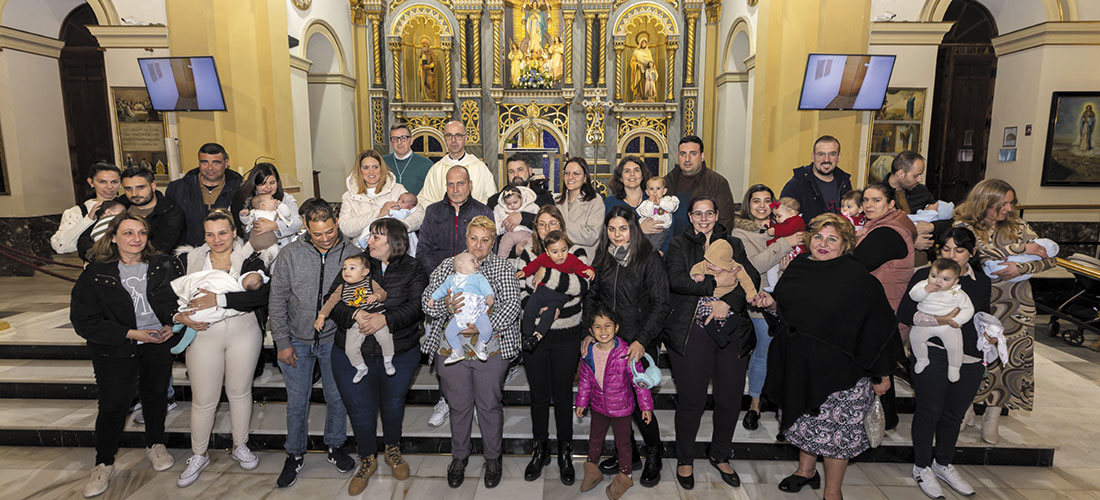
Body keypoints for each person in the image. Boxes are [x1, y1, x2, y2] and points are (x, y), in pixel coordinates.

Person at [752, 214, 901, 500]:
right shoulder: (798, 268)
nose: (823, 244)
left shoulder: (858, 277)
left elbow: (879, 328)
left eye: (832, 239)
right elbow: (785, 313)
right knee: (805, 425)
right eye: (818, 237)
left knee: (835, 436)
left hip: (844, 373)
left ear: (846, 244)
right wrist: (771, 304)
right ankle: (805, 471)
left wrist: (880, 374)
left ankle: (833, 492)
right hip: (801, 366)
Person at [69, 213, 178, 498]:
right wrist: (130, 333)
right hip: (116, 348)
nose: (136, 239)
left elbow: (176, 301)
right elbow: (85, 321)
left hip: (157, 343)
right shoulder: (96, 272)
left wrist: (170, 325)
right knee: (113, 405)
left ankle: (156, 444)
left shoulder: (161, 265)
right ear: (114, 237)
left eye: (142, 232)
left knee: (155, 396)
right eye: (128, 233)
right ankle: (103, 462)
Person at [324, 217, 429, 495]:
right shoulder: (355, 262)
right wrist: (356, 314)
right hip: (352, 352)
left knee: (393, 405)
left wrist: (385, 320)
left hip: (398, 351)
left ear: (393, 242)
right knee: (360, 409)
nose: (369, 241)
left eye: (376, 237)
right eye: (370, 236)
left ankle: (393, 451)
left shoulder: (413, 268)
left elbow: (417, 306)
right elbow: (331, 301)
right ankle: (367, 459)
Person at [662, 195, 759, 489]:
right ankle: (686, 458)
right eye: (698, 214)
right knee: (691, 400)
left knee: (729, 399)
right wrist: (714, 285)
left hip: (730, 330)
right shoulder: (679, 245)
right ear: (690, 217)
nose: (704, 218)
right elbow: (675, 280)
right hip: (692, 331)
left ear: (717, 215)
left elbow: (750, 278)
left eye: (709, 213)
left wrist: (727, 302)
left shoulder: (735, 244)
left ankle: (720, 454)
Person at [172, 210, 273, 487]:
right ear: (204, 236)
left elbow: (263, 294)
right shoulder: (190, 260)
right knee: (204, 399)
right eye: (210, 234)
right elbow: (169, 295)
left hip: (244, 330)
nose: (217, 239)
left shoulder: (252, 258)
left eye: (223, 233)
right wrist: (177, 316)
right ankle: (198, 454)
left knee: (240, 392)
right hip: (204, 333)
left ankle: (240, 445)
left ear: (234, 233)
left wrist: (220, 299)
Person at [420, 216, 522, 490]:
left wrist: (480, 325)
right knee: (459, 405)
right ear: (465, 239)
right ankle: (459, 457)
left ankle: (492, 458)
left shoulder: (502, 267)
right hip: (451, 346)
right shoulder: (447, 266)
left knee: (488, 404)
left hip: (491, 345)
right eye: (473, 238)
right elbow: (428, 302)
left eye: (485, 240)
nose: (478, 245)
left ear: (493, 242)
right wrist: (447, 307)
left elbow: (513, 305)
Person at [954, 178, 1055, 443]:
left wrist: (1021, 267)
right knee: (973, 355)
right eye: (1002, 204)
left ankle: (993, 416)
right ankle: (964, 408)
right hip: (978, 301)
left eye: (1011, 203)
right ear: (984, 203)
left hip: (1016, 304)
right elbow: (978, 255)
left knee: (1008, 361)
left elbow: (1050, 257)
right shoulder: (964, 225)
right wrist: (1023, 249)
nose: (1008, 209)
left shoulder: (1019, 226)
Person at [267, 198, 360, 488]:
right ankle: (294, 454)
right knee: (297, 401)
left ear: (336, 222)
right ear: (306, 227)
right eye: (318, 234)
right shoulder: (290, 255)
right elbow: (277, 300)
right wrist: (282, 341)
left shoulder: (352, 253)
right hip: (297, 338)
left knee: (336, 396)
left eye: (330, 232)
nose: (325, 238)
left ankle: (335, 446)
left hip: (335, 339)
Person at [897, 227, 991, 498]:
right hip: (932, 349)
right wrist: (939, 320)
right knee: (930, 410)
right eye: (946, 249)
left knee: (954, 414)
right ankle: (922, 466)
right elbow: (905, 312)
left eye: (959, 250)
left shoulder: (981, 282)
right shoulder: (924, 276)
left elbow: (980, 316)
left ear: (971, 254)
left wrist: (992, 337)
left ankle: (943, 463)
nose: (952, 255)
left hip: (970, 356)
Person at [583, 205, 669, 487]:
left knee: (638, 405)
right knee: (616, 401)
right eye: (612, 229)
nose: (617, 235)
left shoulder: (648, 259)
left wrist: (642, 341)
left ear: (632, 228)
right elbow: (592, 298)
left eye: (622, 228)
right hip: (609, 343)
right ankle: (628, 455)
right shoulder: (603, 258)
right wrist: (590, 332)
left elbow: (660, 304)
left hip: (639, 342)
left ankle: (654, 454)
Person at [515, 205, 590, 484]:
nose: (547, 228)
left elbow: (580, 287)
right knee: (538, 395)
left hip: (566, 336)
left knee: (562, 395)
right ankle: (541, 448)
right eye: (542, 224)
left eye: (552, 222)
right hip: (535, 335)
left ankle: (565, 453)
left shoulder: (576, 252)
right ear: (536, 229)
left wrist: (546, 277)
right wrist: (540, 310)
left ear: (561, 224)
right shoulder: (528, 254)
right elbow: (521, 290)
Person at [729, 185, 802, 431]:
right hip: (758, 301)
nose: (761, 205)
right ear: (748, 205)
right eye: (755, 201)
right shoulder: (740, 232)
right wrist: (785, 244)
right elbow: (751, 266)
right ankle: (755, 404)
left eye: (767, 200)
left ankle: (786, 404)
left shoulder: (785, 225)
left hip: (789, 299)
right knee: (764, 349)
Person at [576, 306, 655, 499]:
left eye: (608, 326)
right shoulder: (589, 353)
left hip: (622, 408)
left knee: (623, 443)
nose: (603, 331)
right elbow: (585, 380)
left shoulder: (626, 352)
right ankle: (592, 470)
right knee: (595, 439)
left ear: (616, 327)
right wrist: (581, 402)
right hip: (598, 406)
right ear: (591, 331)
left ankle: (625, 474)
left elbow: (640, 382)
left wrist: (646, 406)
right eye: (598, 327)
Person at [316, 253, 391, 380]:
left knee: (385, 338)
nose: (346, 271)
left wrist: (377, 296)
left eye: (352, 268)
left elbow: (383, 293)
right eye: (344, 268)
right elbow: (330, 302)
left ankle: (388, 361)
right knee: (350, 348)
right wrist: (321, 316)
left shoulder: (370, 282)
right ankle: (361, 367)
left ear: (365, 272)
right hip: (356, 322)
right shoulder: (342, 288)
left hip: (376, 316)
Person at [516, 230, 594, 349]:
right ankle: (527, 335)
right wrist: (524, 271)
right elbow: (533, 265)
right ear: (547, 252)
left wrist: (589, 270)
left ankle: (537, 336)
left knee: (550, 313)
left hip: (558, 296)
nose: (560, 255)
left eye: (564, 250)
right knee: (529, 309)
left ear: (568, 247)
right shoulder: (543, 258)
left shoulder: (572, 259)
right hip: (541, 292)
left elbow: (581, 267)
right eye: (555, 252)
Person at [416, 165, 493, 273]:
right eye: (450, 184)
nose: (455, 190)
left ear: (470, 185)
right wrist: (440, 276)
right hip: (438, 278)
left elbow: (490, 250)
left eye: (460, 183)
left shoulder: (484, 212)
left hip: (474, 279)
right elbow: (423, 251)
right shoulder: (432, 212)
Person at [908, 258, 975, 382]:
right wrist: (925, 290)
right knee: (915, 339)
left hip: (949, 325)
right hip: (925, 322)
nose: (937, 281)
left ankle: (954, 367)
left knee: (955, 347)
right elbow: (913, 296)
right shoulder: (924, 285)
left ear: (955, 282)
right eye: (933, 276)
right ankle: (922, 358)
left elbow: (968, 309)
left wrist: (959, 320)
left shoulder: (958, 293)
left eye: (945, 279)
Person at [166, 143, 244, 246]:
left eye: (216, 163)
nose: (210, 168)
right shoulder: (177, 189)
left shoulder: (240, 190)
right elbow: (168, 227)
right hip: (187, 254)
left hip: (228, 255)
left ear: (226, 163)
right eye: (204, 162)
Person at [428, 251, 496, 363]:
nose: (477, 264)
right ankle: (457, 350)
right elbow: (442, 289)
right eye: (473, 261)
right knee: (449, 332)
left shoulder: (478, 277)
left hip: (478, 311)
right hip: (460, 314)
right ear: (460, 265)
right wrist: (433, 298)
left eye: (477, 262)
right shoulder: (451, 279)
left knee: (487, 329)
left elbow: (486, 288)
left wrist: (489, 296)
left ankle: (480, 345)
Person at [414, 120, 497, 209]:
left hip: (473, 220)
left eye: (458, 135)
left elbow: (491, 199)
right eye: (449, 136)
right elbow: (424, 200)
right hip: (443, 220)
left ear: (465, 138)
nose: (453, 140)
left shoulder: (480, 168)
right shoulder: (436, 169)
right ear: (444, 139)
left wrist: (473, 212)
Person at [665, 136, 736, 232]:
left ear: (702, 156)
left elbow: (725, 223)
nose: (687, 159)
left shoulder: (717, 183)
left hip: (703, 244)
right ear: (678, 156)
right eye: (683, 154)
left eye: (693, 154)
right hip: (671, 244)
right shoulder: (667, 181)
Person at [339, 150, 414, 238]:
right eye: (366, 168)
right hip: (365, 248)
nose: (371, 172)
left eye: (375, 167)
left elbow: (418, 213)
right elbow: (345, 228)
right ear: (359, 171)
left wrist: (402, 226)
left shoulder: (398, 189)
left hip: (397, 246)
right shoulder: (348, 196)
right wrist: (379, 213)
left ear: (381, 168)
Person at [52, 162, 121, 255]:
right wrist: (88, 220)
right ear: (91, 182)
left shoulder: (128, 205)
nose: (109, 187)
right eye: (102, 182)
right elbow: (60, 247)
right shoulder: (77, 212)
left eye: (114, 182)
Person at [230, 162, 302, 250]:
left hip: (284, 249)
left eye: (272, 183)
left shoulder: (286, 199)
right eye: (263, 184)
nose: (268, 188)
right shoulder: (244, 200)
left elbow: (297, 223)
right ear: (255, 184)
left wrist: (274, 226)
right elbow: (239, 230)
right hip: (256, 251)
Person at [780, 135, 853, 221]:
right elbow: (782, 219)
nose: (826, 159)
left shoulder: (844, 182)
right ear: (813, 157)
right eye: (821, 154)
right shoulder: (797, 184)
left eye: (832, 154)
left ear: (839, 157)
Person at [118, 166, 185, 254]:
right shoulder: (117, 208)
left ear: (153, 186)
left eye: (140, 187)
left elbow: (162, 249)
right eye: (128, 188)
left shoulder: (171, 213)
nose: (134, 193)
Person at [487, 152, 555, 236]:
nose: (516, 175)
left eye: (520, 170)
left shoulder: (544, 198)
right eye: (511, 171)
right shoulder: (494, 201)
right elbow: (489, 231)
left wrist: (523, 217)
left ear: (530, 171)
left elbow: (553, 225)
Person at [886, 151, 939, 254]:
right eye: (916, 176)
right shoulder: (879, 195)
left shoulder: (922, 191)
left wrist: (931, 227)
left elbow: (945, 220)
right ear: (901, 174)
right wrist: (911, 241)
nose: (920, 179)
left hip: (926, 258)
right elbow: (878, 231)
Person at [555, 157, 604, 257]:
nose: (570, 177)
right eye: (567, 173)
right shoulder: (556, 201)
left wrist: (561, 226)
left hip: (582, 260)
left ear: (585, 178)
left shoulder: (595, 201)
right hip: (557, 257)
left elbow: (592, 236)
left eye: (576, 174)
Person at [382, 122, 432, 196]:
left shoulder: (426, 164)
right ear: (391, 142)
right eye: (395, 139)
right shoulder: (382, 162)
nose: (399, 142)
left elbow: (430, 194)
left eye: (403, 138)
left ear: (411, 140)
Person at [494, 185, 539, 258]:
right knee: (503, 246)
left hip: (527, 234)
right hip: (510, 234)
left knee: (533, 248)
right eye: (508, 204)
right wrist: (499, 229)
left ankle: (534, 264)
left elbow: (539, 218)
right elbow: (497, 219)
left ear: (521, 199)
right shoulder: (501, 209)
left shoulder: (530, 206)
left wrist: (524, 217)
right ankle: (500, 263)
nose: (512, 206)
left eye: (515, 202)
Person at [636, 177, 679, 251]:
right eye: (651, 189)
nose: (655, 192)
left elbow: (672, 208)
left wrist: (660, 203)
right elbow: (646, 213)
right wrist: (650, 202)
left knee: (654, 244)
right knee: (639, 243)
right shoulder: (645, 203)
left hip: (660, 230)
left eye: (658, 188)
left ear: (664, 191)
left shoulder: (668, 200)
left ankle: (655, 253)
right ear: (647, 192)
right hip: (644, 229)